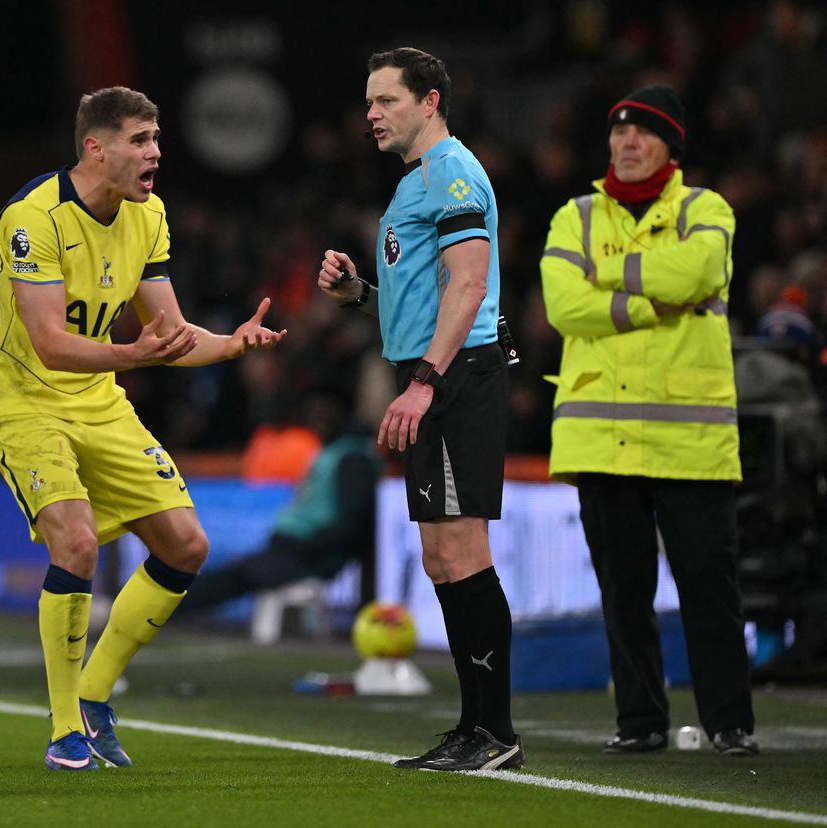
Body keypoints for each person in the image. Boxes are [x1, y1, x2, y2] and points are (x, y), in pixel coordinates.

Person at [0, 86, 286, 772]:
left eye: (156, 139)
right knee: (77, 543)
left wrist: (233, 343)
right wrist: (135, 355)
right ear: (96, 147)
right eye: (140, 141)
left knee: (186, 545)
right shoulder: (34, 219)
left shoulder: (149, 215)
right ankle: (62, 730)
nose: (156, 154)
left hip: (98, 395)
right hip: (21, 398)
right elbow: (51, 342)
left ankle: (94, 694)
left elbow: (168, 334)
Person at [317, 48, 521, 772]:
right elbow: (428, 296)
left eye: (386, 100)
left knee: (463, 552)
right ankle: (473, 729)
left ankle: (494, 732)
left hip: (458, 376)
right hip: (435, 371)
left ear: (429, 101)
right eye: (370, 101)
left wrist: (426, 381)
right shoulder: (415, 185)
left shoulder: (454, 172)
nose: (371, 113)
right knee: (440, 559)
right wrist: (362, 296)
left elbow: (469, 288)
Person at [539, 84, 758, 756]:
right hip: (602, 441)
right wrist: (648, 301)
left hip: (689, 440)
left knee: (708, 589)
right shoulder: (573, 215)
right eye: (618, 133)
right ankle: (639, 724)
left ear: (671, 145)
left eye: (643, 133)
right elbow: (561, 305)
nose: (627, 143)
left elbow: (697, 273)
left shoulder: (706, 208)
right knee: (623, 593)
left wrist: (609, 276)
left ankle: (730, 724)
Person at [178, 392, 381, 615]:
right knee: (236, 573)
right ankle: (172, 605)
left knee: (237, 576)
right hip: (297, 546)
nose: (317, 419)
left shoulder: (353, 458)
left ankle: (171, 608)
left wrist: (309, 545)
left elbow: (352, 520)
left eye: (325, 413)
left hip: (309, 552)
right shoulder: (333, 450)